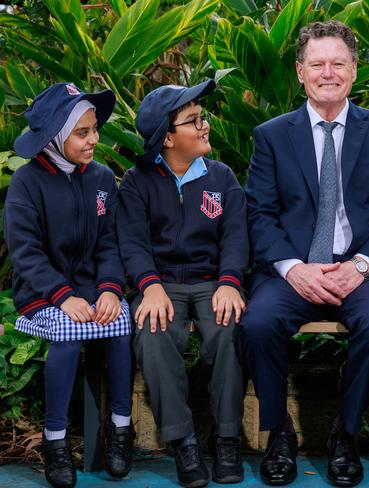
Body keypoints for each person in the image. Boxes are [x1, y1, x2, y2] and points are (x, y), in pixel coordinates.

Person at [241, 20, 369, 487]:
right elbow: (259, 213)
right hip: (293, 270)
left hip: (361, 267)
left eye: (339, 63)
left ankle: (346, 433)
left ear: (354, 71)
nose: (328, 72)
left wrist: (361, 265)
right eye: (317, 64)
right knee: (257, 323)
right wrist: (293, 269)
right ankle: (279, 433)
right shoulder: (272, 136)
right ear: (300, 72)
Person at [116, 80, 248, 487]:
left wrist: (230, 282)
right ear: (167, 138)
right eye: (193, 121)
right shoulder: (138, 182)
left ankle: (226, 437)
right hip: (161, 285)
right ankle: (183, 442)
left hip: (213, 282)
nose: (204, 126)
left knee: (229, 329)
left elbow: (236, 238)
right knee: (153, 332)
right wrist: (149, 286)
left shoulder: (222, 178)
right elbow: (133, 242)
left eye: (202, 117)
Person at [5, 83, 133, 488]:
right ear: (57, 135)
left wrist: (111, 289)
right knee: (68, 333)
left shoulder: (100, 178)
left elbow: (111, 242)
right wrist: (63, 296)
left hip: (95, 289)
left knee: (121, 326)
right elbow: (25, 252)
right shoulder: (27, 183)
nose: (94, 139)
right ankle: (55, 440)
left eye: (95, 129)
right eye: (83, 132)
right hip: (44, 293)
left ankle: (120, 428)